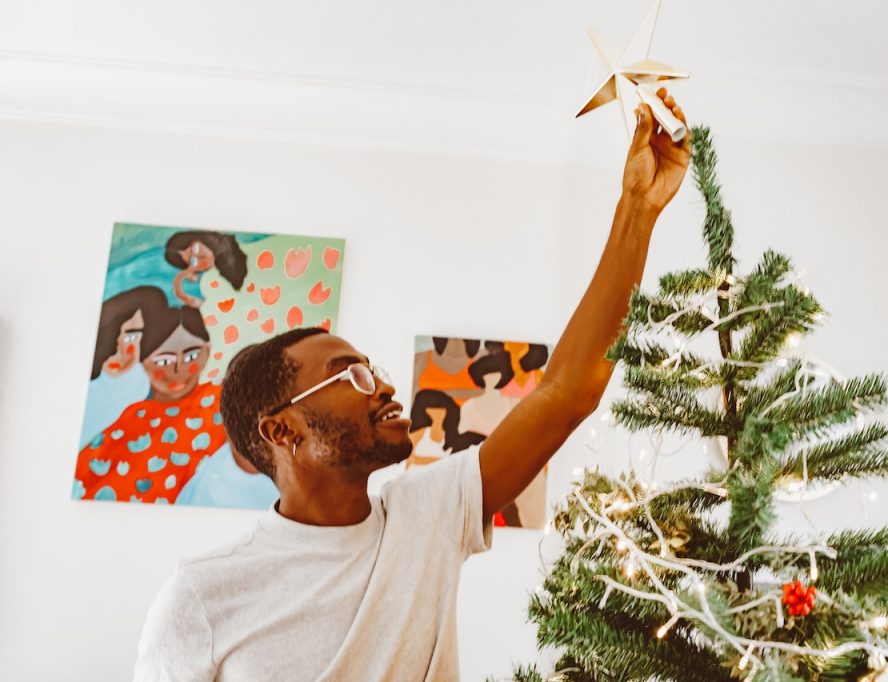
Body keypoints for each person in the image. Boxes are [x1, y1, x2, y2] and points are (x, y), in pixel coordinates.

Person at [133, 96, 691, 680]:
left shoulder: (427, 515)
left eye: (372, 369)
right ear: (282, 429)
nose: (380, 386)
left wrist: (638, 209)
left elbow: (567, 393)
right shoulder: (201, 597)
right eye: (349, 374)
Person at [74, 305, 225, 503]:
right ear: (143, 360)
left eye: (191, 356)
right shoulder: (131, 421)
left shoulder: (220, 401)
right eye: (163, 361)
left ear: (207, 351)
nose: (178, 369)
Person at [78, 286, 168, 448]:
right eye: (113, 333)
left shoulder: (145, 380)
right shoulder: (86, 380)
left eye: (131, 336)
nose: (120, 347)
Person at [164, 230, 248, 308]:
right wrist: (182, 275)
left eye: (195, 248)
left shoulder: (232, 257)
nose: (200, 257)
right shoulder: (211, 280)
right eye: (193, 260)